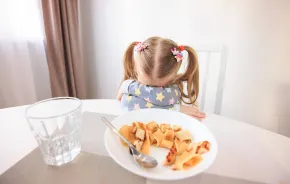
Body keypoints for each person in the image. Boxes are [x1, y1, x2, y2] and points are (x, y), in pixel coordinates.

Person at [117, 36, 206, 120]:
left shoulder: (128, 86)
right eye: (147, 86)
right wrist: (175, 109)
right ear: (136, 68)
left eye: (159, 89)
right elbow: (124, 104)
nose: (152, 92)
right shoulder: (129, 86)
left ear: (173, 76)